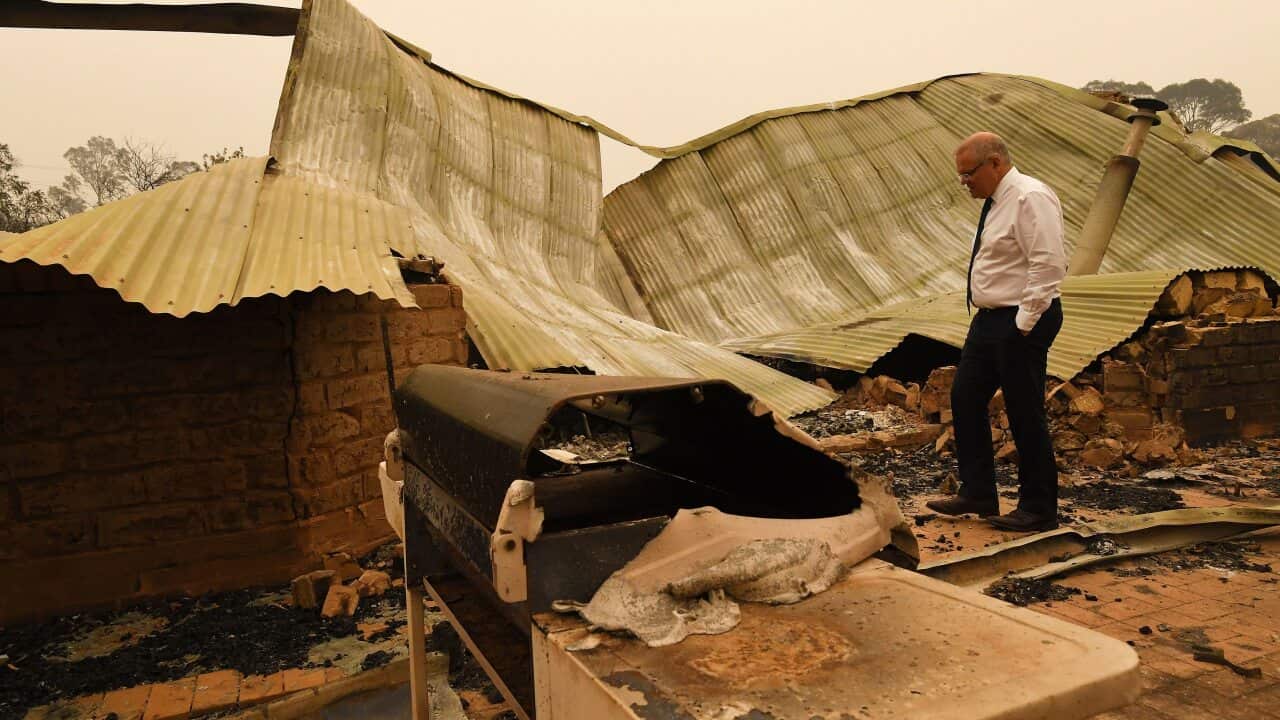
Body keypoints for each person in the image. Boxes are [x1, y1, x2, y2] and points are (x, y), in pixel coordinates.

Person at [926, 132, 1067, 532]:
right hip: (990, 319)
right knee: (965, 397)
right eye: (961, 175)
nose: (964, 182)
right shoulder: (996, 202)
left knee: (1024, 411)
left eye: (968, 173)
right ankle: (979, 493)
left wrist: (1022, 324)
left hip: (1022, 317)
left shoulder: (1029, 197)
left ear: (995, 163)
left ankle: (1038, 508)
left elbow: (1048, 264)